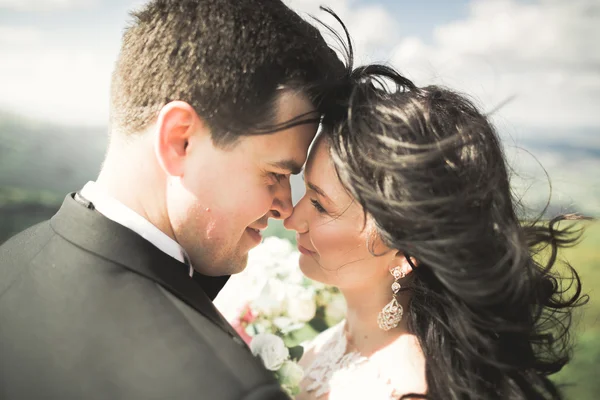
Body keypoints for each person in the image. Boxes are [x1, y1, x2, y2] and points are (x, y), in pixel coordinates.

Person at [0, 0, 344, 398]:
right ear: (180, 140)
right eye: (276, 173)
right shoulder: (226, 386)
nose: (285, 206)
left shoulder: (11, 258)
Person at [284, 63, 587, 399]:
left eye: (320, 204)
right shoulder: (336, 341)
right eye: (305, 191)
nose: (291, 219)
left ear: (404, 252)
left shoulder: (405, 391)